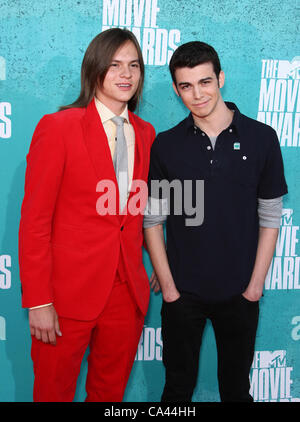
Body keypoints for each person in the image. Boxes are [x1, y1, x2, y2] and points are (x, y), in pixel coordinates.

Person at [143, 41, 287, 402]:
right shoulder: (166, 145)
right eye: (186, 86)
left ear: (220, 78)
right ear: (176, 90)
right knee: (176, 391)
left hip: (240, 292)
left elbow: (270, 217)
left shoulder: (262, 138)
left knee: (237, 391)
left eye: (205, 82)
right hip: (182, 295)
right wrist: (170, 287)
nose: (197, 94)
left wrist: (254, 287)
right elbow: (152, 219)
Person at [19, 28, 155, 402]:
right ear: (94, 70)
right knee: (52, 394)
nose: (126, 74)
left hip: (126, 293)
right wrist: (39, 300)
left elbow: (140, 214)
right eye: (114, 65)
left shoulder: (146, 133)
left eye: (134, 65)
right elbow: (35, 220)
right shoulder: (59, 127)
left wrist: (163, 262)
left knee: (109, 395)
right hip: (65, 296)